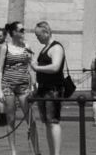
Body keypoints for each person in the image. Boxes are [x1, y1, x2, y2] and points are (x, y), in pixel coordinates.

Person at [0, 20, 34, 155]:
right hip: (8, 86)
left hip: (23, 86)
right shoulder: (5, 47)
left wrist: (33, 84)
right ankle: (13, 151)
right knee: (11, 119)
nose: (24, 32)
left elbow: (30, 67)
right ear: (14, 33)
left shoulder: (26, 46)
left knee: (30, 118)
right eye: (21, 30)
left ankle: (36, 151)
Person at [33, 21, 67, 155]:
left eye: (38, 35)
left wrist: (37, 67)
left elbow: (55, 66)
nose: (37, 38)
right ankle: (52, 152)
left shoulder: (56, 47)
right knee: (47, 122)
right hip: (43, 89)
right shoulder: (45, 48)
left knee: (53, 121)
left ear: (46, 33)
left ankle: (56, 153)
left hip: (53, 89)